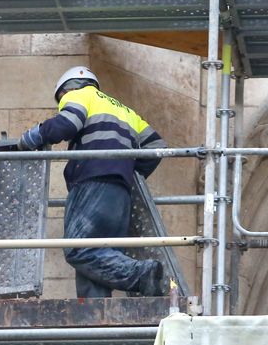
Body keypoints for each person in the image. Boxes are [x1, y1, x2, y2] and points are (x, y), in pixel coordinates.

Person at [18, 66, 168, 298]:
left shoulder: (79, 94)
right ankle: (93, 310)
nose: (62, 102)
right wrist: (127, 169)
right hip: (120, 192)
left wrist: (31, 137)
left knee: (78, 249)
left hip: (92, 182)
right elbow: (157, 147)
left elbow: (67, 124)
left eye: (61, 98)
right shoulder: (126, 111)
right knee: (101, 255)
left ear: (66, 89)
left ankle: (141, 274)